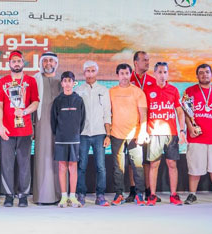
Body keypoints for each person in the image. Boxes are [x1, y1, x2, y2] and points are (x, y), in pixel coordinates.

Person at [0, 50, 40, 207]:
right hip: (7, 130)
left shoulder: (30, 81)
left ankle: (23, 195)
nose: (16, 63)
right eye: (13, 61)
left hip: (25, 129)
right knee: (7, 164)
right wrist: (1, 126)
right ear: (9, 64)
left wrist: (25, 111)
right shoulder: (2, 82)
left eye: (19, 61)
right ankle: (9, 195)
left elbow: (35, 102)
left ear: (23, 63)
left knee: (24, 163)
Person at [182, 64, 212, 205]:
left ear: (211, 74)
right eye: (201, 73)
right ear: (197, 76)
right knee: (194, 168)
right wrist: (189, 127)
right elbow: (186, 112)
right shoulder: (189, 91)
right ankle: (192, 195)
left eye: (207, 72)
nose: (204, 75)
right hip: (196, 137)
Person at [145, 62, 185, 206]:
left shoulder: (173, 90)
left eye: (165, 72)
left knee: (172, 164)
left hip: (171, 133)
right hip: (154, 133)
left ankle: (174, 195)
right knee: (154, 164)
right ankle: (152, 195)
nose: (162, 75)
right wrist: (143, 131)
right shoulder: (148, 90)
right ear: (155, 73)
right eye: (160, 72)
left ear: (168, 74)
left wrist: (182, 130)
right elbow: (144, 112)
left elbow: (179, 111)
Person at [109, 63, 149, 206]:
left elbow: (143, 114)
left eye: (127, 73)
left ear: (130, 74)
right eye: (122, 73)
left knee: (137, 167)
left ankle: (139, 195)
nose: (124, 76)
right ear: (117, 75)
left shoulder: (138, 92)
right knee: (118, 168)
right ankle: (119, 194)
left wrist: (142, 132)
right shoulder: (111, 92)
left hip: (134, 135)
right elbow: (107, 113)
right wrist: (107, 133)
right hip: (116, 134)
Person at [74, 60, 111, 206]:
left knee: (100, 166)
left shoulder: (103, 90)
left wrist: (108, 135)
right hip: (83, 133)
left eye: (92, 71)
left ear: (96, 72)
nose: (90, 74)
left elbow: (107, 113)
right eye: (87, 71)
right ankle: (81, 194)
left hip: (99, 133)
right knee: (81, 166)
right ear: (84, 73)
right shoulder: (78, 90)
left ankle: (100, 195)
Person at [52, 71, 86, 208]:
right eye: (65, 81)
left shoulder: (79, 100)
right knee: (62, 167)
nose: (67, 84)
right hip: (61, 139)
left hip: (74, 139)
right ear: (62, 83)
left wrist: (75, 133)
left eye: (69, 81)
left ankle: (72, 197)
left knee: (73, 166)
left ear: (73, 83)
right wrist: (59, 133)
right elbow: (53, 121)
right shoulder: (57, 101)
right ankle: (63, 197)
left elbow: (82, 121)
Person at [32, 51, 62, 204]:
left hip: (60, 127)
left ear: (56, 63)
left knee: (59, 159)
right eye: (45, 61)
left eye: (51, 60)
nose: (48, 63)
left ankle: (60, 195)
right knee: (42, 159)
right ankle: (42, 196)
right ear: (41, 63)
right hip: (41, 125)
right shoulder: (35, 80)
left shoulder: (62, 81)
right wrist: (32, 126)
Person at [130, 51, 156, 201]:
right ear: (136, 62)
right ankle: (133, 190)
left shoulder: (152, 80)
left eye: (148, 60)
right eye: (144, 60)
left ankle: (148, 190)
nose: (147, 62)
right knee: (132, 160)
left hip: (149, 125)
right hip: (131, 126)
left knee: (147, 159)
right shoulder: (128, 79)